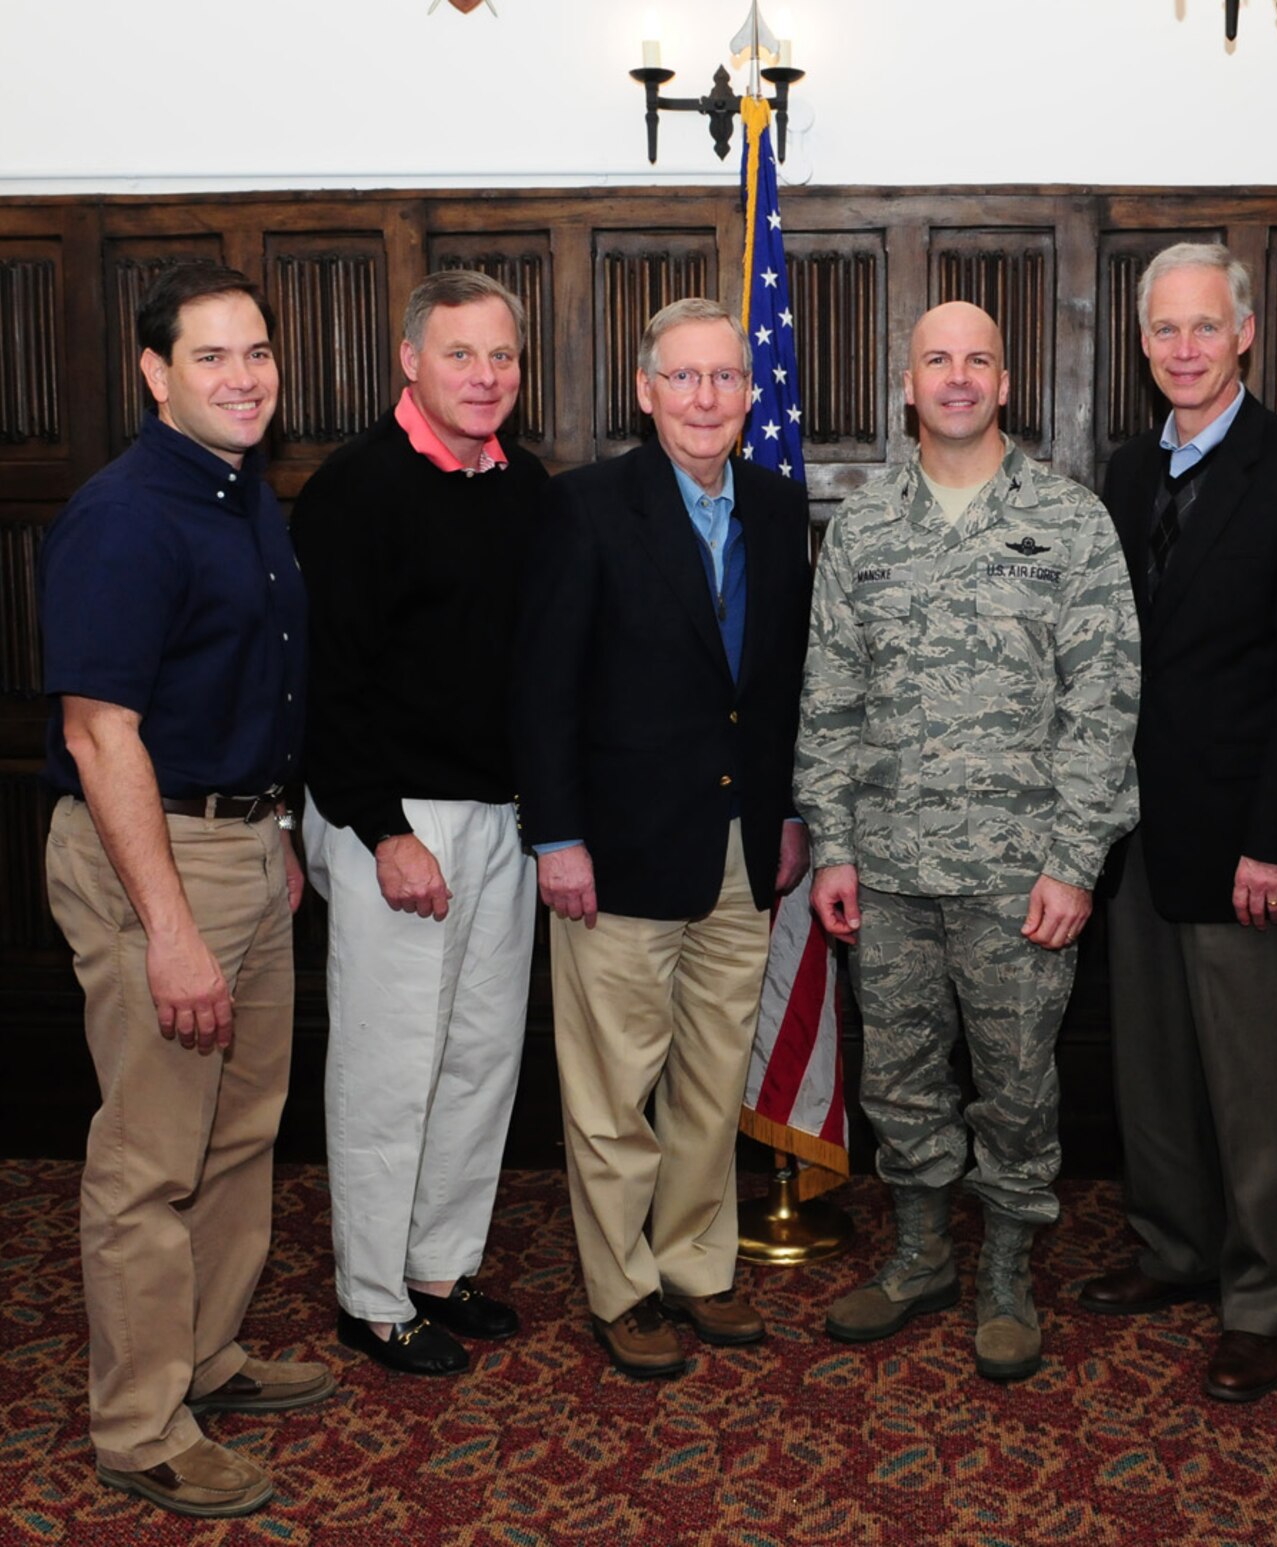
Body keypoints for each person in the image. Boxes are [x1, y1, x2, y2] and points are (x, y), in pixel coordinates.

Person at [795, 301, 1141, 1382]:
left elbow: (1104, 704)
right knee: (898, 1078)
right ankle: (920, 1255)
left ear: (1004, 382)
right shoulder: (862, 526)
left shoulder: (1069, 521)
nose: (956, 376)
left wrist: (1074, 861)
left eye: (977, 359)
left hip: (1017, 874)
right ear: (907, 386)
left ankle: (1004, 1271)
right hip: (887, 868)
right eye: (936, 359)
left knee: (1017, 1084)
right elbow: (829, 698)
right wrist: (833, 844)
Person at [40, 261, 331, 1518]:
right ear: (155, 373)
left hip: (242, 844)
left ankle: (206, 1355)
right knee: (150, 1156)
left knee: (240, 1131)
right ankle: (141, 1423)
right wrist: (169, 928)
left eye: (256, 350)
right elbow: (100, 731)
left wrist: (273, 836)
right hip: (151, 855)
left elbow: (242, 690)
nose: (243, 376)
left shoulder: (242, 493)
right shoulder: (125, 514)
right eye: (211, 355)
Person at [1078, 243, 1277, 1403]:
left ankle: (1264, 1293)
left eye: (1205, 326)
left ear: (1243, 333)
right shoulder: (1125, 469)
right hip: (1136, 828)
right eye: (1164, 329)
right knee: (1151, 1065)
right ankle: (1176, 1245)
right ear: (1141, 343)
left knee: (1259, 1081)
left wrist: (1275, 836)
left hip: (1246, 834)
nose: (1184, 348)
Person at [511, 297, 812, 1379]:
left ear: (749, 392)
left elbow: (779, 683)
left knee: (711, 1080)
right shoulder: (585, 506)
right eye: (682, 377)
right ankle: (623, 1287)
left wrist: (786, 812)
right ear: (645, 392)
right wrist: (556, 836)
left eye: (724, 376)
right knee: (612, 1094)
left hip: (739, 847)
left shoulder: (777, 506)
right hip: (618, 851)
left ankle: (694, 1263)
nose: (704, 397)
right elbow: (542, 687)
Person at [289, 270, 549, 1377]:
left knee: (480, 1055)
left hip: (501, 817)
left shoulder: (524, 487)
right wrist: (383, 829)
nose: (485, 376)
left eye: (502, 356)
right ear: (409, 360)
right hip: (392, 818)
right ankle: (370, 1291)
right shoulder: (354, 489)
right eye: (460, 353)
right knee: (391, 1061)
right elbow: (326, 683)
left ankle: (440, 1266)